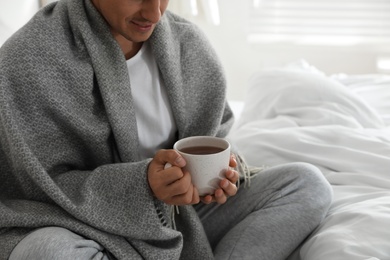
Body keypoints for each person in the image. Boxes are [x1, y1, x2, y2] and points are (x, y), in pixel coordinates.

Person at [0, 0, 333, 259]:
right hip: (80, 222)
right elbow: (35, 186)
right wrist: (143, 186)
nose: (154, 11)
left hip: (182, 213)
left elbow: (215, 135)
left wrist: (222, 177)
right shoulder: (28, 60)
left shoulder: (188, 45)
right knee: (48, 253)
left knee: (307, 185)